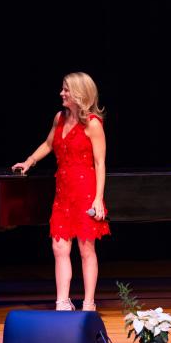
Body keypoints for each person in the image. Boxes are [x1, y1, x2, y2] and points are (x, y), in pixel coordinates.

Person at [12, 72, 110, 312]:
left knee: (86, 249)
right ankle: (62, 302)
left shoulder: (93, 124)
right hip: (63, 193)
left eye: (66, 90)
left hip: (86, 191)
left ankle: (88, 304)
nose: (61, 93)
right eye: (62, 89)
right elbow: (48, 144)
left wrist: (98, 199)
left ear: (79, 93)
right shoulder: (59, 118)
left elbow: (100, 163)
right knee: (59, 247)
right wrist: (29, 161)